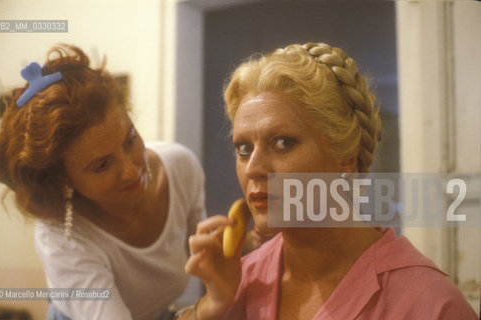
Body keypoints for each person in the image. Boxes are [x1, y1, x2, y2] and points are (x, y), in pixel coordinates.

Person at [178, 42, 478, 319]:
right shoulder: (239, 283)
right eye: (244, 148)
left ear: (345, 156)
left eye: (283, 142)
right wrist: (210, 307)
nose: (253, 168)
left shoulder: (429, 303)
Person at [0, 45, 206, 320]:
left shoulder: (179, 167)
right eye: (102, 165)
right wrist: (207, 311)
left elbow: (204, 262)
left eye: (130, 140)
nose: (131, 170)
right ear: (62, 180)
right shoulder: (60, 238)